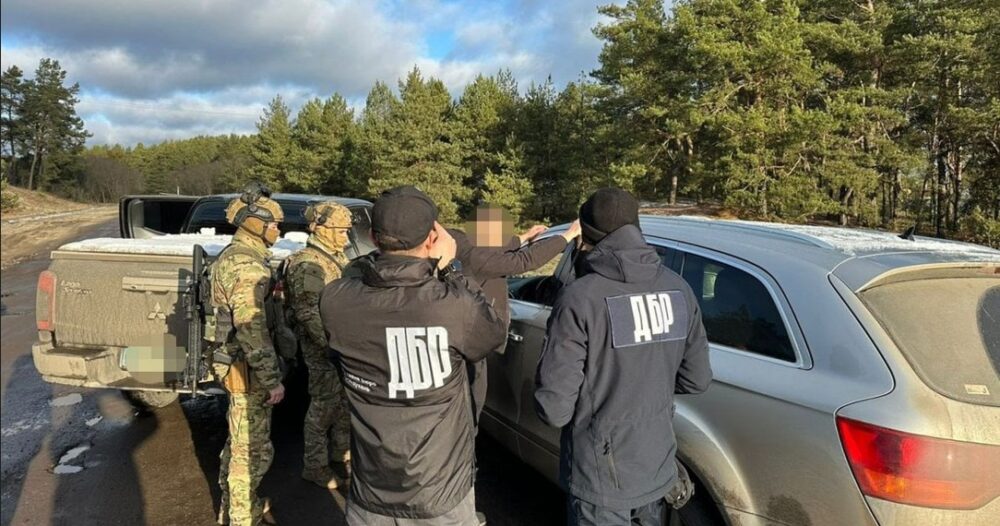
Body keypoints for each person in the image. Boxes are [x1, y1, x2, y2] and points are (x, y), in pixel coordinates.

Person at [319, 186, 507, 525]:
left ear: (373, 237)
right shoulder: (451, 305)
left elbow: (337, 356)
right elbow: (492, 334)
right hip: (441, 491)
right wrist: (450, 269)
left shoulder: (335, 299)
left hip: (370, 487)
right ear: (433, 238)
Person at [534, 188, 712, 526]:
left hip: (600, 478)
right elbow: (697, 379)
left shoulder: (579, 298)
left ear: (586, 237)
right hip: (656, 463)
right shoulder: (679, 289)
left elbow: (553, 409)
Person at [449, 204, 582, 425]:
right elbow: (523, 261)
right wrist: (568, 235)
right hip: (470, 347)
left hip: (461, 339)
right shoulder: (473, 258)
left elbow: (492, 249)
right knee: (469, 405)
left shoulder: (459, 253)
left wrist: (524, 237)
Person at [211, 184, 287, 526]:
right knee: (252, 449)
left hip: (239, 363)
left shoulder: (241, 256)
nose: (278, 230)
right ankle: (242, 517)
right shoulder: (247, 266)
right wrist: (272, 380)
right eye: (274, 224)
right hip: (246, 368)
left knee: (240, 442)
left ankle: (235, 508)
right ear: (255, 223)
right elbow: (251, 329)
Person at [283, 201, 353, 489]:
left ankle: (341, 454)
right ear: (321, 228)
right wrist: (331, 347)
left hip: (340, 345)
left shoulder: (334, 257)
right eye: (341, 230)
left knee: (343, 404)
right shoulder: (309, 263)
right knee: (323, 406)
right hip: (323, 348)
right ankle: (315, 465)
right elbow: (307, 312)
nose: (346, 236)